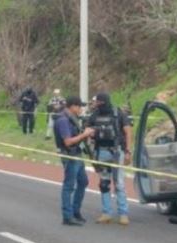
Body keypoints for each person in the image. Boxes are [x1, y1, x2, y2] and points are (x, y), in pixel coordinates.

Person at [86, 92, 133, 226]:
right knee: (104, 183)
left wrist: (128, 151)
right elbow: (87, 132)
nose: (97, 105)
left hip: (117, 152)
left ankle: (123, 214)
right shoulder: (94, 115)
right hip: (101, 152)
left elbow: (128, 131)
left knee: (119, 183)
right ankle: (106, 213)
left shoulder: (118, 114)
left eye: (99, 102)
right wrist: (92, 153)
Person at [54, 96, 94, 226]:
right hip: (70, 156)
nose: (81, 109)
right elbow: (68, 141)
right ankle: (67, 216)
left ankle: (75, 211)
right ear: (72, 106)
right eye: (79, 106)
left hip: (77, 154)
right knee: (69, 185)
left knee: (83, 182)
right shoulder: (63, 120)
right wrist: (84, 135)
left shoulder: (73, 119)